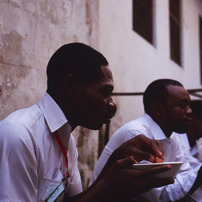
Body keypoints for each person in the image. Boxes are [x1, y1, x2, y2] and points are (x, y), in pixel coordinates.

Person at [0, 43, 173, 202]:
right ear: (70, 86)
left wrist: (112, 165)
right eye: (105, 93)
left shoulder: (68, 143)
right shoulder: (21, 135)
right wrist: (109, 185)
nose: (112, 104)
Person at [89, 78, 202, 202]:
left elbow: (186, 175)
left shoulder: (172, 137)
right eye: (182, 105)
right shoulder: (136, 133)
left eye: (189, 106)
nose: (190, 111)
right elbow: (158, 198)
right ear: (157, 109)